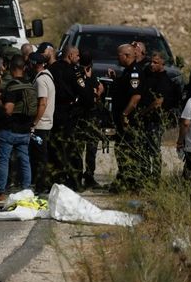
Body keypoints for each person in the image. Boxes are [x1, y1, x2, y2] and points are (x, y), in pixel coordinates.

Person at [0, 56, 34, 204]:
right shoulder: (29, 85)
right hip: (25, 129)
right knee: (25, 160)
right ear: (23, 68)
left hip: (10, 129)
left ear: (11, 68)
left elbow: (8, 109)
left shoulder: (12, 86)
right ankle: (26, 189)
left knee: (3, 161)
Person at [48, 45, 90, 191]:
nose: (79, 59)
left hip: (54, 112)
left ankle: (57, 180)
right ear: (71, 55)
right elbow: (84, 93)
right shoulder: (75, 71)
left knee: (56, 147)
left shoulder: (52, 69)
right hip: (69, 113)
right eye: (77, 56)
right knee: (71, 148)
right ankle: (76, 181)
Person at [108, 43, 145, 192]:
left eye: (119, 55)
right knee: (122, 148)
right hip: (122, 119)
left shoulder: (134, 73)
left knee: (129, 149)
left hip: (128, 120)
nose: (117, 58)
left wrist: (125, 114)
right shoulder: (127, 72)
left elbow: (135, 97)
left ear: (127, 56)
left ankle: (131, 182)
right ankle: (124, 177)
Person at [140, 51, 181, 182]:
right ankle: (146, 175)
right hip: (148, 119)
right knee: (146, 149)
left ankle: (155, 177)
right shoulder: (150, 76)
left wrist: (143, 112)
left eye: (155, 62)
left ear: (162, 63)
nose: (152, 64)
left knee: (153, 149)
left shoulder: (164, 81)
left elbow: (158, 102)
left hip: (155, 120)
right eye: (151, 62)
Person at [28, 52, 55, 194]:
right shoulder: (48, 76)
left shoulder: (40, 80)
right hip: (46, 123)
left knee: (40, 158)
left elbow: (42, 103)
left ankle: (41, 185)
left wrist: (34, 123)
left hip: (41, 125)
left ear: (33, 64)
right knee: (42, 156)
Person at [79, 50, 104, 189]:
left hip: (87, 116)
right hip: (87, 115)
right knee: (89, 148)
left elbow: (98, 89)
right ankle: (87, 176)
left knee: (87, 148)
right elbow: (94, 92)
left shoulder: (85, 75)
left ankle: (87, 176)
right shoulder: (86, 76)